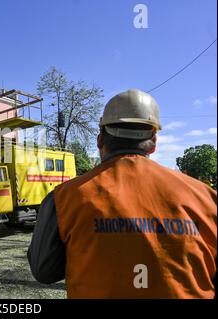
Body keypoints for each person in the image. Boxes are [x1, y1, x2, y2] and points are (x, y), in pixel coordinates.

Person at [27, 89, 217, 299]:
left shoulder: (63, 198)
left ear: (100, 140)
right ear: (153, 142)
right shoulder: (206, 197)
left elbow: (43, 271)